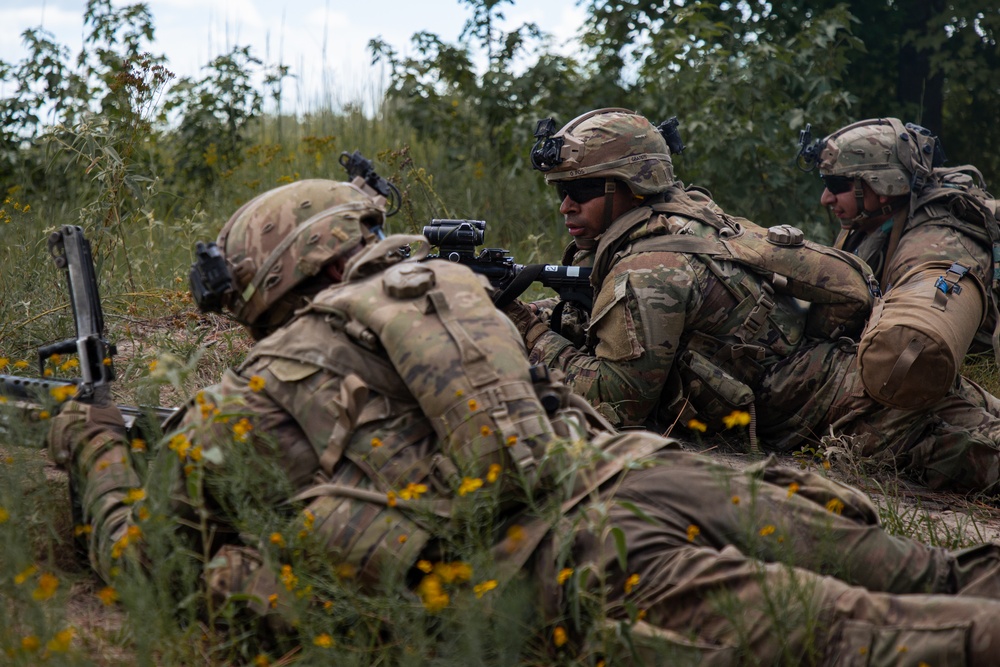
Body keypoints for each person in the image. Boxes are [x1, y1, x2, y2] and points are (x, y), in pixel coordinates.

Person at [45, 178, 1000, 664]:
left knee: (883, 642)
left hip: (582, 557)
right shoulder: (456, 298)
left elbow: (146, 562)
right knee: (943, 575)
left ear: (275, 284)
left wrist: (94, 444)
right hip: (654, 473)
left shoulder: (252, 393)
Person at [506, 107, 875, 443]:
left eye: (580, 190)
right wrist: (528, 307)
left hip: (859, 418)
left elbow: (615, 405)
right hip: (828, 383)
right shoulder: (677, 217)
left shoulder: (649, 269)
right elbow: (597, 311)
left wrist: (526, 328)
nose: (565, 207)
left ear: (632, 185)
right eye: (561, 191)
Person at [804, 117, 1000, 411]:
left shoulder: (929, 250)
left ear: (881, 186)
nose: (825, 198)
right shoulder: (870, 224)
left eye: (836, 184)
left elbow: (916, 350)